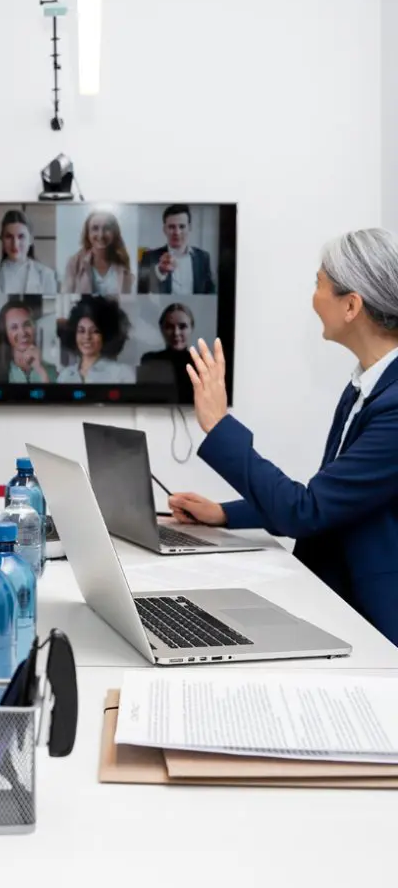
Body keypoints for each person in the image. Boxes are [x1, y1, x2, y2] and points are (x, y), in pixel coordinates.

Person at [168, 228, 398, 645]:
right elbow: (330, 502)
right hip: (333, 600)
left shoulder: (394, 405)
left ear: (351, 305)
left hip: (374, 624)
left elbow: (307, 512)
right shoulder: (364, 388)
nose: (313, 298)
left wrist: (218, 425)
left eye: (319, 284)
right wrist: (226, 514)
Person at [138, 204, 216, 295]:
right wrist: (160, 271)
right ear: (164, 229)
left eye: (182, 226)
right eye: (171, 227)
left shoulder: (203, 257)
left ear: (190, 228)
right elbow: (141, 291)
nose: (177, 232)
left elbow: (211, 293)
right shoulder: (149, 257)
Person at [0, 210, 59, 296]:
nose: (15, 243)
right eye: (9, 237)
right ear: (2, 239)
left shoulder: (46, 275)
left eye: (21, 237)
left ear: (31, 240)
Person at [56, 295, 136, 384]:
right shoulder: (64, 376)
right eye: (81, 331)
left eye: (95, 331)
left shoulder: (121, 373)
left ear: (106, 335)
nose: (87, 337)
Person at [63, 209, 135, 295]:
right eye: (95, 228)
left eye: (107, 228)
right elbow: (65, 299)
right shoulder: (74, 262)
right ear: (88, 233)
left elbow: (128, 299)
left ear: (114, 233)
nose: (101, 235)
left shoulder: (122, 260)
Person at [0, 300, 58, 383]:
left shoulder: (52, 371)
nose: (23, 332)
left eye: (27, 324)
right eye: (14, 327)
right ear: (5, 332)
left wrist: (41, 371)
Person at [137, 302, 195, 401]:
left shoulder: (202, 363)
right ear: (161, 329)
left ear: (191, 328)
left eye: (182, 327)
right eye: (169, 327)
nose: (176, 333)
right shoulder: (149, 360)